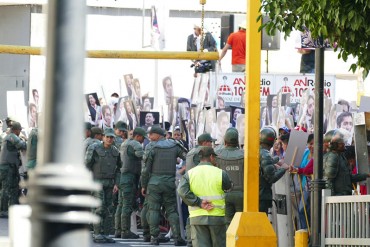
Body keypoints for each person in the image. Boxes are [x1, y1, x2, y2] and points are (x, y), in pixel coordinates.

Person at [141, 126, 187, 245]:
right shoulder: (174, 145)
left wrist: (143, 185)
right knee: (172, 210)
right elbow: (188, 157)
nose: (150, 137)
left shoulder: (151, 147)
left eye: (152, 134)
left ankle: (154, 238)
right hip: (169, 183)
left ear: (158, 135)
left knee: (153, 210)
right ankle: (177, 238)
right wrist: (183, 170)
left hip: (154, 183)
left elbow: (145, 170)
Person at [178, 146, 232, 247]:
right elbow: (228, 186)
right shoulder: (220, 173)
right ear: (211, 157)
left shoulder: (190, 174)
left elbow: (181, 191)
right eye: (215, 157)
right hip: (217, 217)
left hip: (197, 218)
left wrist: (198, 202)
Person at [85, 128, 121, 243]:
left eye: (111, 137)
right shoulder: (94, 149)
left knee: (109, 209)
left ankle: (106, 234)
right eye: (107, 137)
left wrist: (117, 183)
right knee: (99, 207)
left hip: (110, 183)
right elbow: (87, 165)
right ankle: (97, 233)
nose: (109, 139)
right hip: (97, 182)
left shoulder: (115, 151)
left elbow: (119, 169)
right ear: (103, 137)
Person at [115, 127, 147, 239]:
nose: (143, 140)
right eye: (143, 138)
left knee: (121, 204)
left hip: (122, 177)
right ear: (138, 136)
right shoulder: (136, 144)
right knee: (127, 205)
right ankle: (125, 231)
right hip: (129, 178)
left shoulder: (124, 143)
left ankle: (118, 230)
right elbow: (144, 158)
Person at [323, 129, 370, 196]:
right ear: (332, 144)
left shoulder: (341, 156)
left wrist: (366, 175)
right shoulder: (332, 157)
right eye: (340, 141)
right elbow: (328, 181)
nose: (343, 143)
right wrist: (332, 199)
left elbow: (348, 177)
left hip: (343, 197)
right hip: (337, 199)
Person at [215, 128, 244, 225]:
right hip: (242, 195)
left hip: (224, 195)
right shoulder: (245, 155)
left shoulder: (217, 155)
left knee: (228, 222)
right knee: (241, 222)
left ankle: (229, 240)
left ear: (225, 140)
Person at [0, 122, 27, 217]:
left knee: (14, 188)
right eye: (20, 130)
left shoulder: (9, 136)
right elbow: (23, 146)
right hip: (7, 168)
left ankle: (12, 209)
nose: (20, 132)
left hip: (10, 167)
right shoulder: (12, 136)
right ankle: (3, 211)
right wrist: (26, 139)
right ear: (16, 130)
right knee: (6, 188)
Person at [259, 127, 288, 214]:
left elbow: (266, 162)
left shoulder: (256, 151)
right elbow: (272, 178)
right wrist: (283, 168)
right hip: (262, 195)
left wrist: (276, 160)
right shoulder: (265, 154)